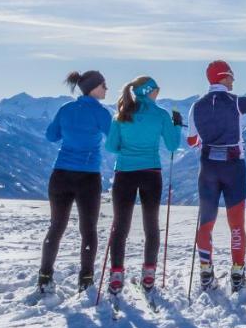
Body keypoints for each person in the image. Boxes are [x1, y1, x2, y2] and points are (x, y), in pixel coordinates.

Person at [185, 60, 246, 292]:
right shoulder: (236, 102)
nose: (233, 80)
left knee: (206, 223)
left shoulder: (196, 106)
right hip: (234, 167)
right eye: (231, 76)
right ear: (223, 77)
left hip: (208, 168)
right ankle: (237, 273)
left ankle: (205, 272)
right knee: (237, 225)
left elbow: (192, 141)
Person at [104, 76, 184, 297]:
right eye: (156, 89)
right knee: (151, 225)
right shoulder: (161, 115)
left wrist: (128, 149)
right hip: (151, 173)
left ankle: (116, 274)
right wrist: (177, 125)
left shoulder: (121, 115)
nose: (158, 92)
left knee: (120, 226)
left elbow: (111, 147)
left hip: (125, 174)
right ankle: (148, 273)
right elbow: (173, 145)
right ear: (149, 91)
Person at [39, 70, 111, 293]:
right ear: (94, 88)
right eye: (104, 85)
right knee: (88, 229)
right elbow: (115, 141)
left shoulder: (65, 109)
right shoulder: (101, 112)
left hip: (60, 175)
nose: (106, 89)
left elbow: (51, 136)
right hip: (87, 177)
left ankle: (44, 276)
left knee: (56, 226)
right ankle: (86, 279)